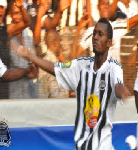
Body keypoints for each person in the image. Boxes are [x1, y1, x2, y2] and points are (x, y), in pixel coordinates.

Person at [15, 18, 130, 149]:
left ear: (109, 43)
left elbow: (117, 84)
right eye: (95, 33)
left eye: (100, 34)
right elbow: (55, 68)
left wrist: (120, 90)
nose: (96, 37)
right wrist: (30, 56)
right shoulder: (81, 65)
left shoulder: (114, 67)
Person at [0, 0, 37, 91]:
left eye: (1, 8)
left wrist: (26, 71)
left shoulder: (0, 33)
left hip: (0, 92)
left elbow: (4, 73)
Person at [71, 0, 137, 61]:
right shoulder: (90, 33)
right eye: (103, 3)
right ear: (98, 7)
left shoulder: (117, 26)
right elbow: (74, 59)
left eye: (108, 4)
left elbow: (135, 20)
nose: (106, 6)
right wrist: (78, 30)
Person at [38, 29, 69, 98]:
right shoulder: (51, 64)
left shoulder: (45, 61)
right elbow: (58, 96)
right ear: (55, 43)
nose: (61, 44)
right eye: (60, 41)